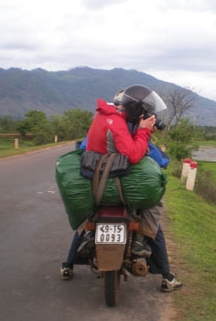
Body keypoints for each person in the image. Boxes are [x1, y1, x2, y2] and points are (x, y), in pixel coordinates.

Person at [61, 85, 182, 292]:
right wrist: (145, 132)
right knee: (153, 214)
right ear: (138, 111)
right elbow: (145, 157)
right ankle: (166, 275)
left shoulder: (105, 118)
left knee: (87, 219)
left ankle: (69, 264)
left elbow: (85, 148)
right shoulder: (124, 125)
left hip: (97, 182)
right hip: (122, 182)